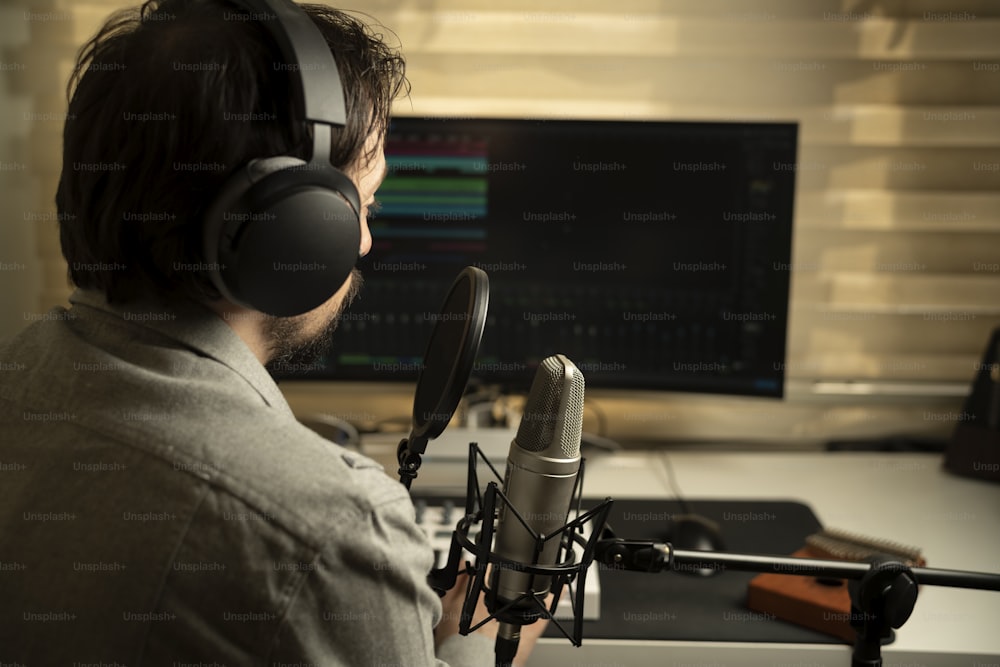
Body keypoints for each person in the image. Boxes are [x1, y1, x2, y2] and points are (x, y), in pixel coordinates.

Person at [0, 1, 546, 664]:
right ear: (292, 229)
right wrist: (478, 642)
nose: (365, 242)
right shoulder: (329, 527)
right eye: (359, 207)